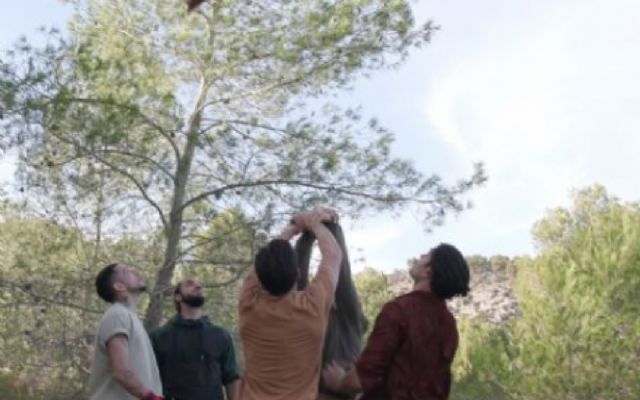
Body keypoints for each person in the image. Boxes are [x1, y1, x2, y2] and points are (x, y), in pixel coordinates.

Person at [322, 243, 470, 400]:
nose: (420, 256)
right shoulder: (449, 325)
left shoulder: (399, 310)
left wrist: (339, 382)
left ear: (429, 270)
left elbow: (360, 380)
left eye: (426, 255)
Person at [237, 208, 343, 400]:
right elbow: (333, 255)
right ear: (298, 274)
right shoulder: (312, 307)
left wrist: (292, 228)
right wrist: (312, 223)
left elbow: (257, 270)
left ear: (260, 279)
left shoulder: (248, 305)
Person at [150, 278, 241, 400]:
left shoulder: (221, 336)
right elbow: (150, 379)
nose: (198, 286)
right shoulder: (159, 337)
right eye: (189, 284)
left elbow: (232, 378)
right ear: (178, 297)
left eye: (200, 285)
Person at [88, 263, 164, 400]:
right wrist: (152, 398)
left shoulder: (129, 317)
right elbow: (121, 371)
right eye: (126, 271)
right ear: (119, 286)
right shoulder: (117, 314)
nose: (134, 270)